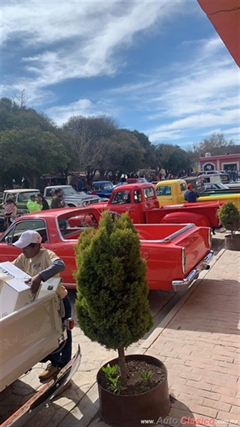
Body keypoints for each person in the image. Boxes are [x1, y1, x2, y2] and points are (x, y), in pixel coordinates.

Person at [12, 230, 72, 383]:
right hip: (41, 305)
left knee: (63, 334)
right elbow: (10, 268)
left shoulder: (46, 255)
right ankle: (54, 364)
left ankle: (65, 369)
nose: (23, 250)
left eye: (26, 247)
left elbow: (60, 265)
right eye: (22, 247)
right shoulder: (24, 257)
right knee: (46, 335)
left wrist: (40, 276)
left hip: (58, 302)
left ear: (37, 245)